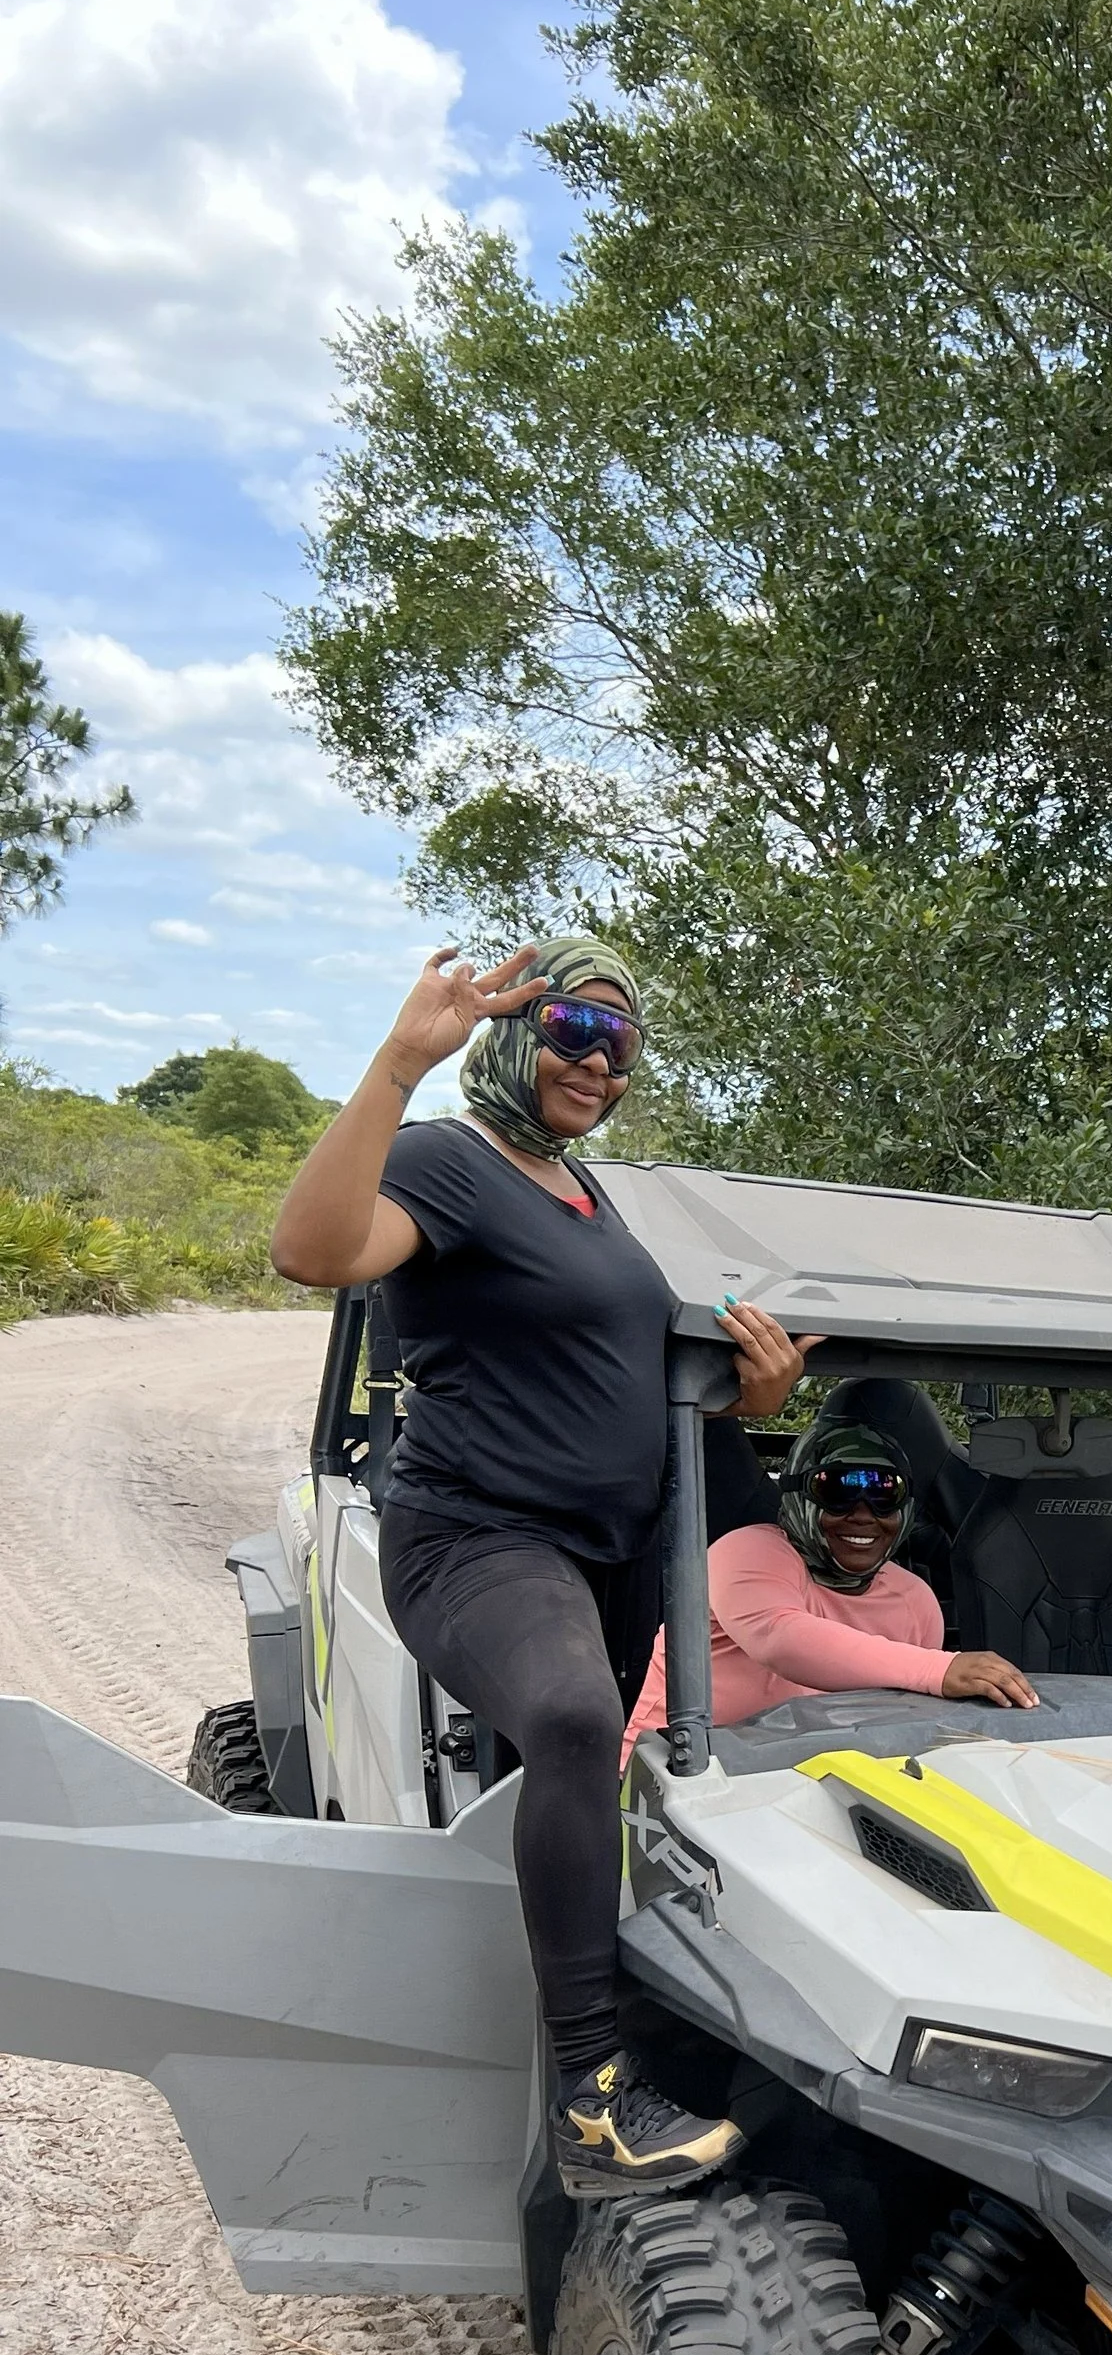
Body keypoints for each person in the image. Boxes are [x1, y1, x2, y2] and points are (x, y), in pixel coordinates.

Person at [268, 940, 812, 2200]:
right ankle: (592, 2103)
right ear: (514, 1032)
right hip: (475, 1536)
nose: (596, 1060)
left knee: (592, 1763)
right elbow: (312, 1251)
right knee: (572, 1722)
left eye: (622, 1042)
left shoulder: (585, 1195)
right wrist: (403, 1062)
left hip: (610, 1554)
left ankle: (590, 2015)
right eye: (574, 1025)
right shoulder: (447, 1163)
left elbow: (607, 1381)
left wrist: (746, 1400)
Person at [623, 1406, 1037, 1746]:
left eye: (884, 1495)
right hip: (680, 1779)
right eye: (835, 1492)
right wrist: (938, 1670)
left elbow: (906, 1719)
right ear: (799, 1497)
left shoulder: (914, 1599)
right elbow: (783, 1640)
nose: (862, 1514)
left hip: (823, 1779)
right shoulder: (747, 1551)